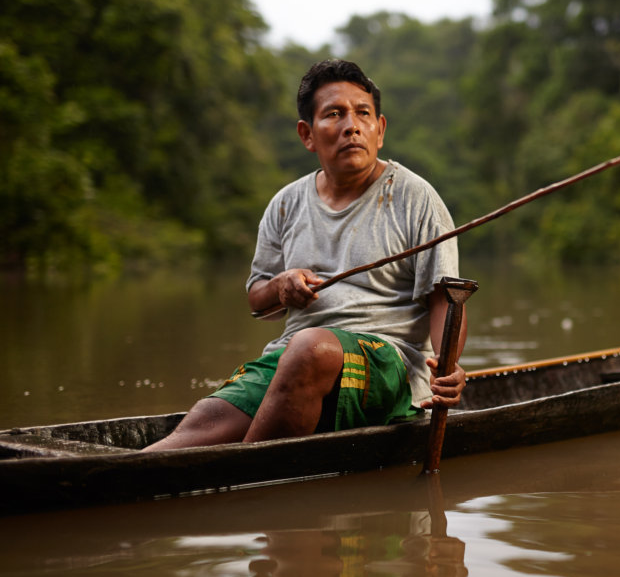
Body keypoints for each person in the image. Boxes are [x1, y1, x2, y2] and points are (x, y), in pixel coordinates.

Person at [145, 59, 467, 450]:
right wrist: (281, 286)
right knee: (204, 422)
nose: (351, 125)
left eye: (363, 114)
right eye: (334, 114)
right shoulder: (286, 204)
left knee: (310, 349)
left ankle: (240, 488)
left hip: (389, 365)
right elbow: (258, 301)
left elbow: (446, 300)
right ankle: (135, 477)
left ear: (379, 131)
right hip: (292, 362)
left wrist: (447, 370)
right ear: (307, 134)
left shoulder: (416, 198)